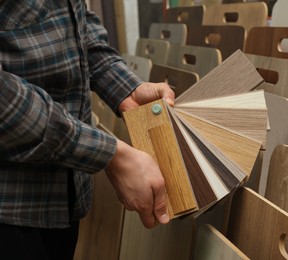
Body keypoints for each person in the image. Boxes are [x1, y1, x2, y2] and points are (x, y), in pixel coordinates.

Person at [0, 1, 174, 259]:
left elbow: (73, 22)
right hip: (10, 211)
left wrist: (124, 88)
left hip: (64, 200)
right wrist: (110, 154)